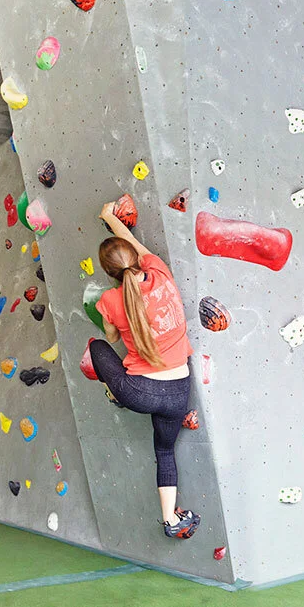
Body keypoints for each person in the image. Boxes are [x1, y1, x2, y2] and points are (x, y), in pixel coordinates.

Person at [88, 200, 200, 540]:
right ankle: (171, 520)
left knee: (96, 348)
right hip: (178, 389)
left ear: (110, 275)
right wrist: (109, 217)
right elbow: (134, 244)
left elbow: (109, 338)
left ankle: (114, 392)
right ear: (138, 261)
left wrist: (116, 329)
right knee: (164, 451)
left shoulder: (109, 301)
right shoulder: (161, 271)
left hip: (139, 391)